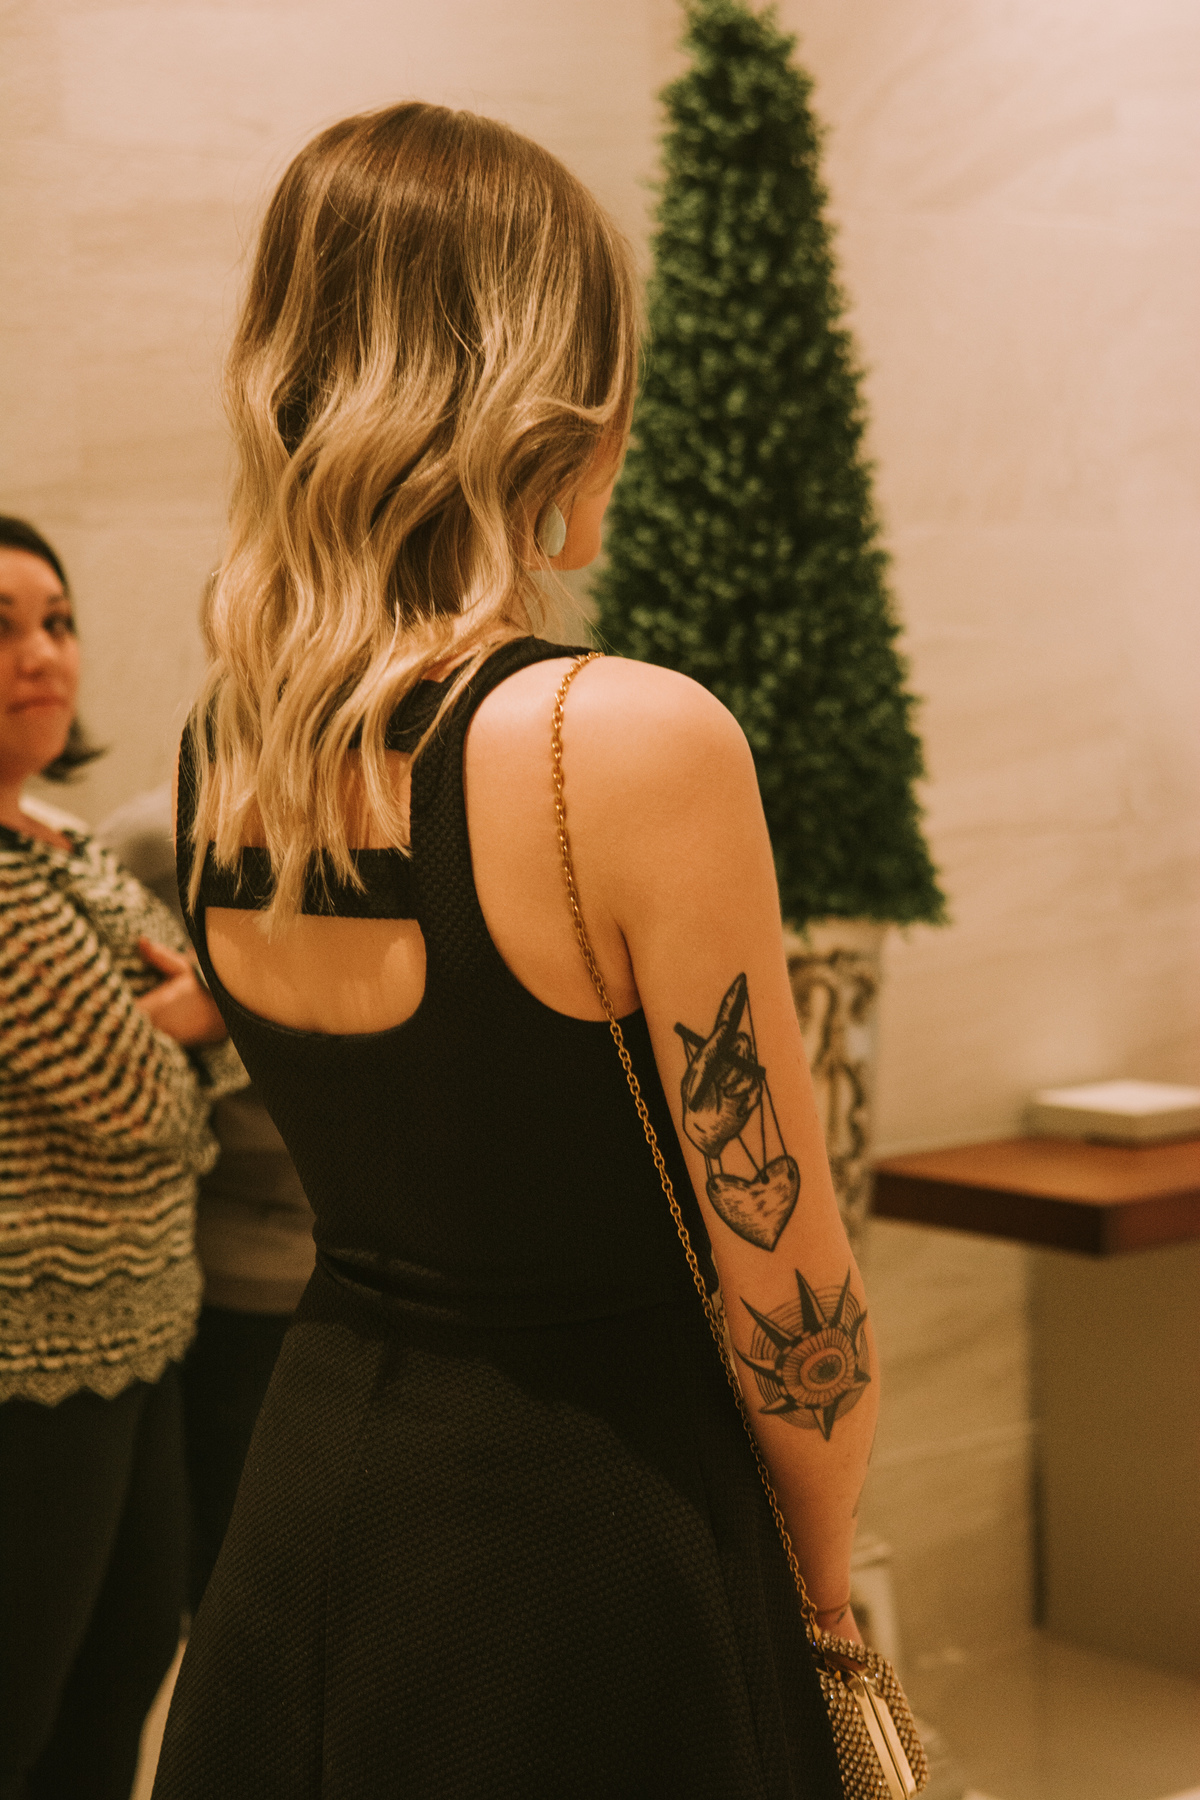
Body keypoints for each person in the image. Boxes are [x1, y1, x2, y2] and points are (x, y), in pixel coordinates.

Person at [153, 104, 878, 1800]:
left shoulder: (228, 749)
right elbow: (793, 1289)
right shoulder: (621, 740)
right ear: (552, 395)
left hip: (312, 1503)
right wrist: (824, 1588)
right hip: (594, 1530)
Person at [0, 516, 245, 1799]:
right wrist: (201, 1021)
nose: (42, 653)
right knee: (22, 1700)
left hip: (142, 1327)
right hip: (33, 1359)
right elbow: (151, 1103)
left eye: (57, 621)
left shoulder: (62, 837)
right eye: (0, 629)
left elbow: (202, 1043)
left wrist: (198, 1023)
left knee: (126, 1662)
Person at [98, 782, 316, 1610]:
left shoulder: (425, 825)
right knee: (220, 1590)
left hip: (367, 1264)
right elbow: (115, 1072)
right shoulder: (155, 841)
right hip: (221, 1270)